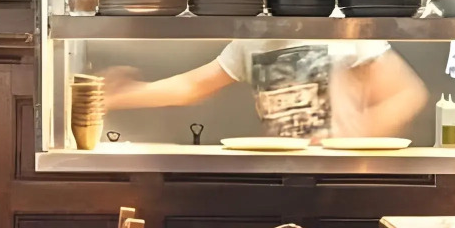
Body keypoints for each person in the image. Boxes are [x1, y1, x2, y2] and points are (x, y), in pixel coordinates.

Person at [102, 36, 428, 142]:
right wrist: (116, 96)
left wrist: (353, 136)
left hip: (346, 178)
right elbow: (191, 87)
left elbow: (409, 95)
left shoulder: (343, 29)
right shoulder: (252, 41)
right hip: (282, 175)